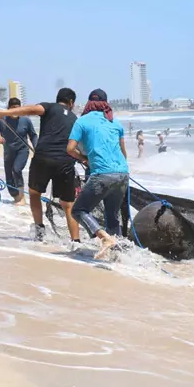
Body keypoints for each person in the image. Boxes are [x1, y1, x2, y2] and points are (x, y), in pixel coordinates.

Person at [0, 88, 80, 245]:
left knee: (34, 194)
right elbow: (77, 144)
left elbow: (31, 109)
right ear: (71, 102)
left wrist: (3, 113)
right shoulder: (75, 118)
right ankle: (76, 241)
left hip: (43, 158)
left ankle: (39, 231)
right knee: (68, 205)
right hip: (65, 161)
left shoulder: (49, 107)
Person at [67, 89, 129, 259]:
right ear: (105, 104)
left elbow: (70, 149)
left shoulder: (82, 121)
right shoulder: (115, 122)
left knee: (78, 210)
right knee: (112, 216)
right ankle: (118, 257)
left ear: (89, 103)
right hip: (122, 174)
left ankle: (104, 238)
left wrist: (84, 159)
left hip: (102, 174)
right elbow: (123, 153)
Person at [0, 97, 38, 205]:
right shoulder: (1, 119)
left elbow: (33, 135)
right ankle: (16, 198)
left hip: (22, 150)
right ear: (8, 109)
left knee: (17, 169)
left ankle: (22, 198)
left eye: (18, 108)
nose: (15, 110)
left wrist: (36, 147)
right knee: (9, 180)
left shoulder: (26, 120)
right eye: (13, 108)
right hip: (8, 153)